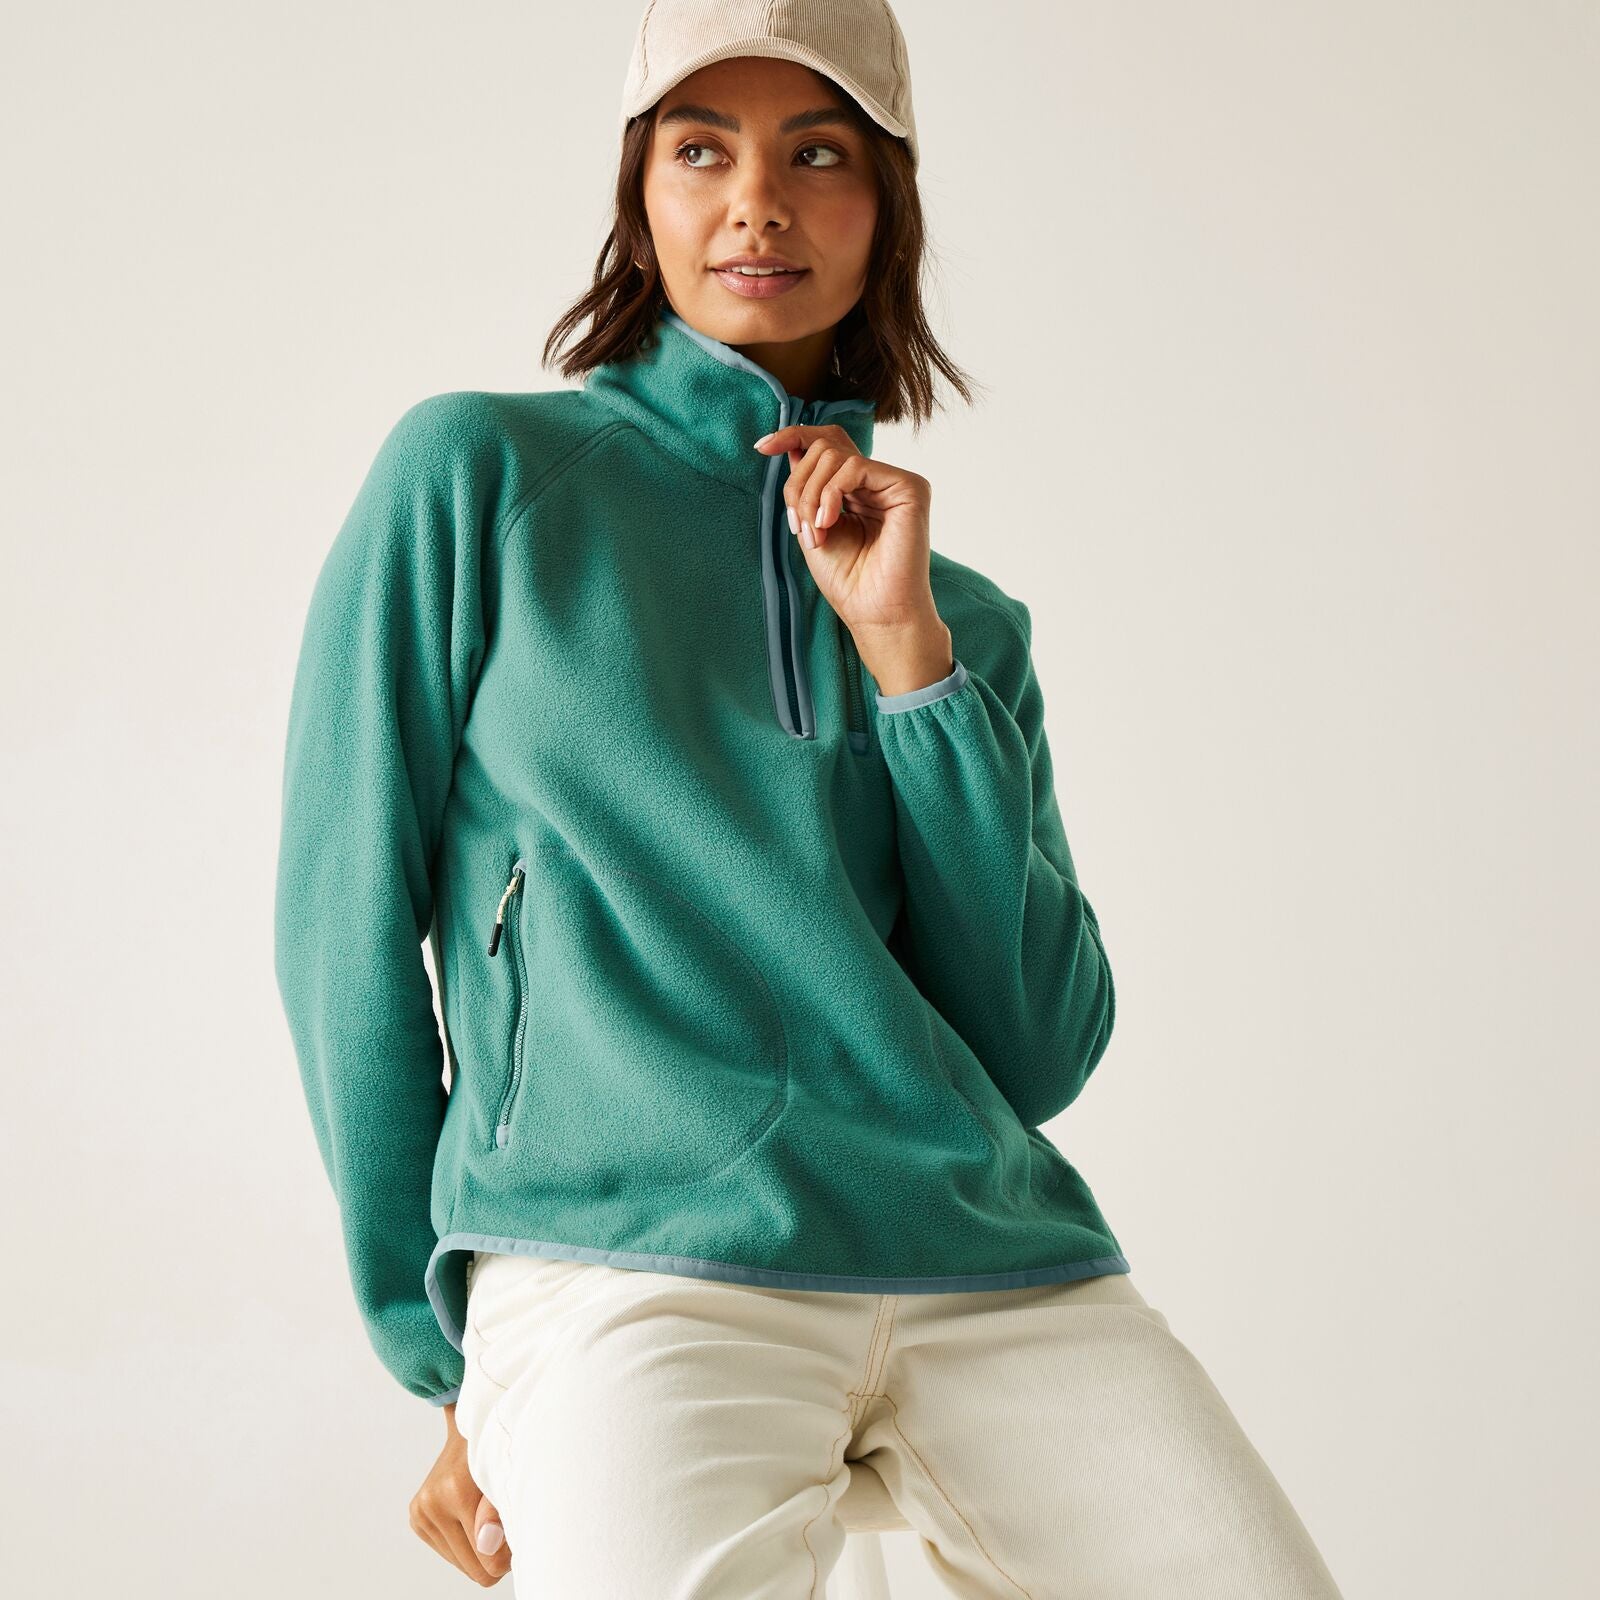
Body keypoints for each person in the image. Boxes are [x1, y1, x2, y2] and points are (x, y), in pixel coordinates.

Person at [273, 2, 1347, 1594]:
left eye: (818, 153)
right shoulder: (480, 481)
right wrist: (447, 1355)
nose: (757, 203)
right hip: (629, 1257)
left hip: (991, 1263)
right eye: (703, 150)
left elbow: (1039, 1048)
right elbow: (341, 925)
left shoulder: (963, 624)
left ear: (887, 204)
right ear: (642, 191)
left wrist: (909, 661)